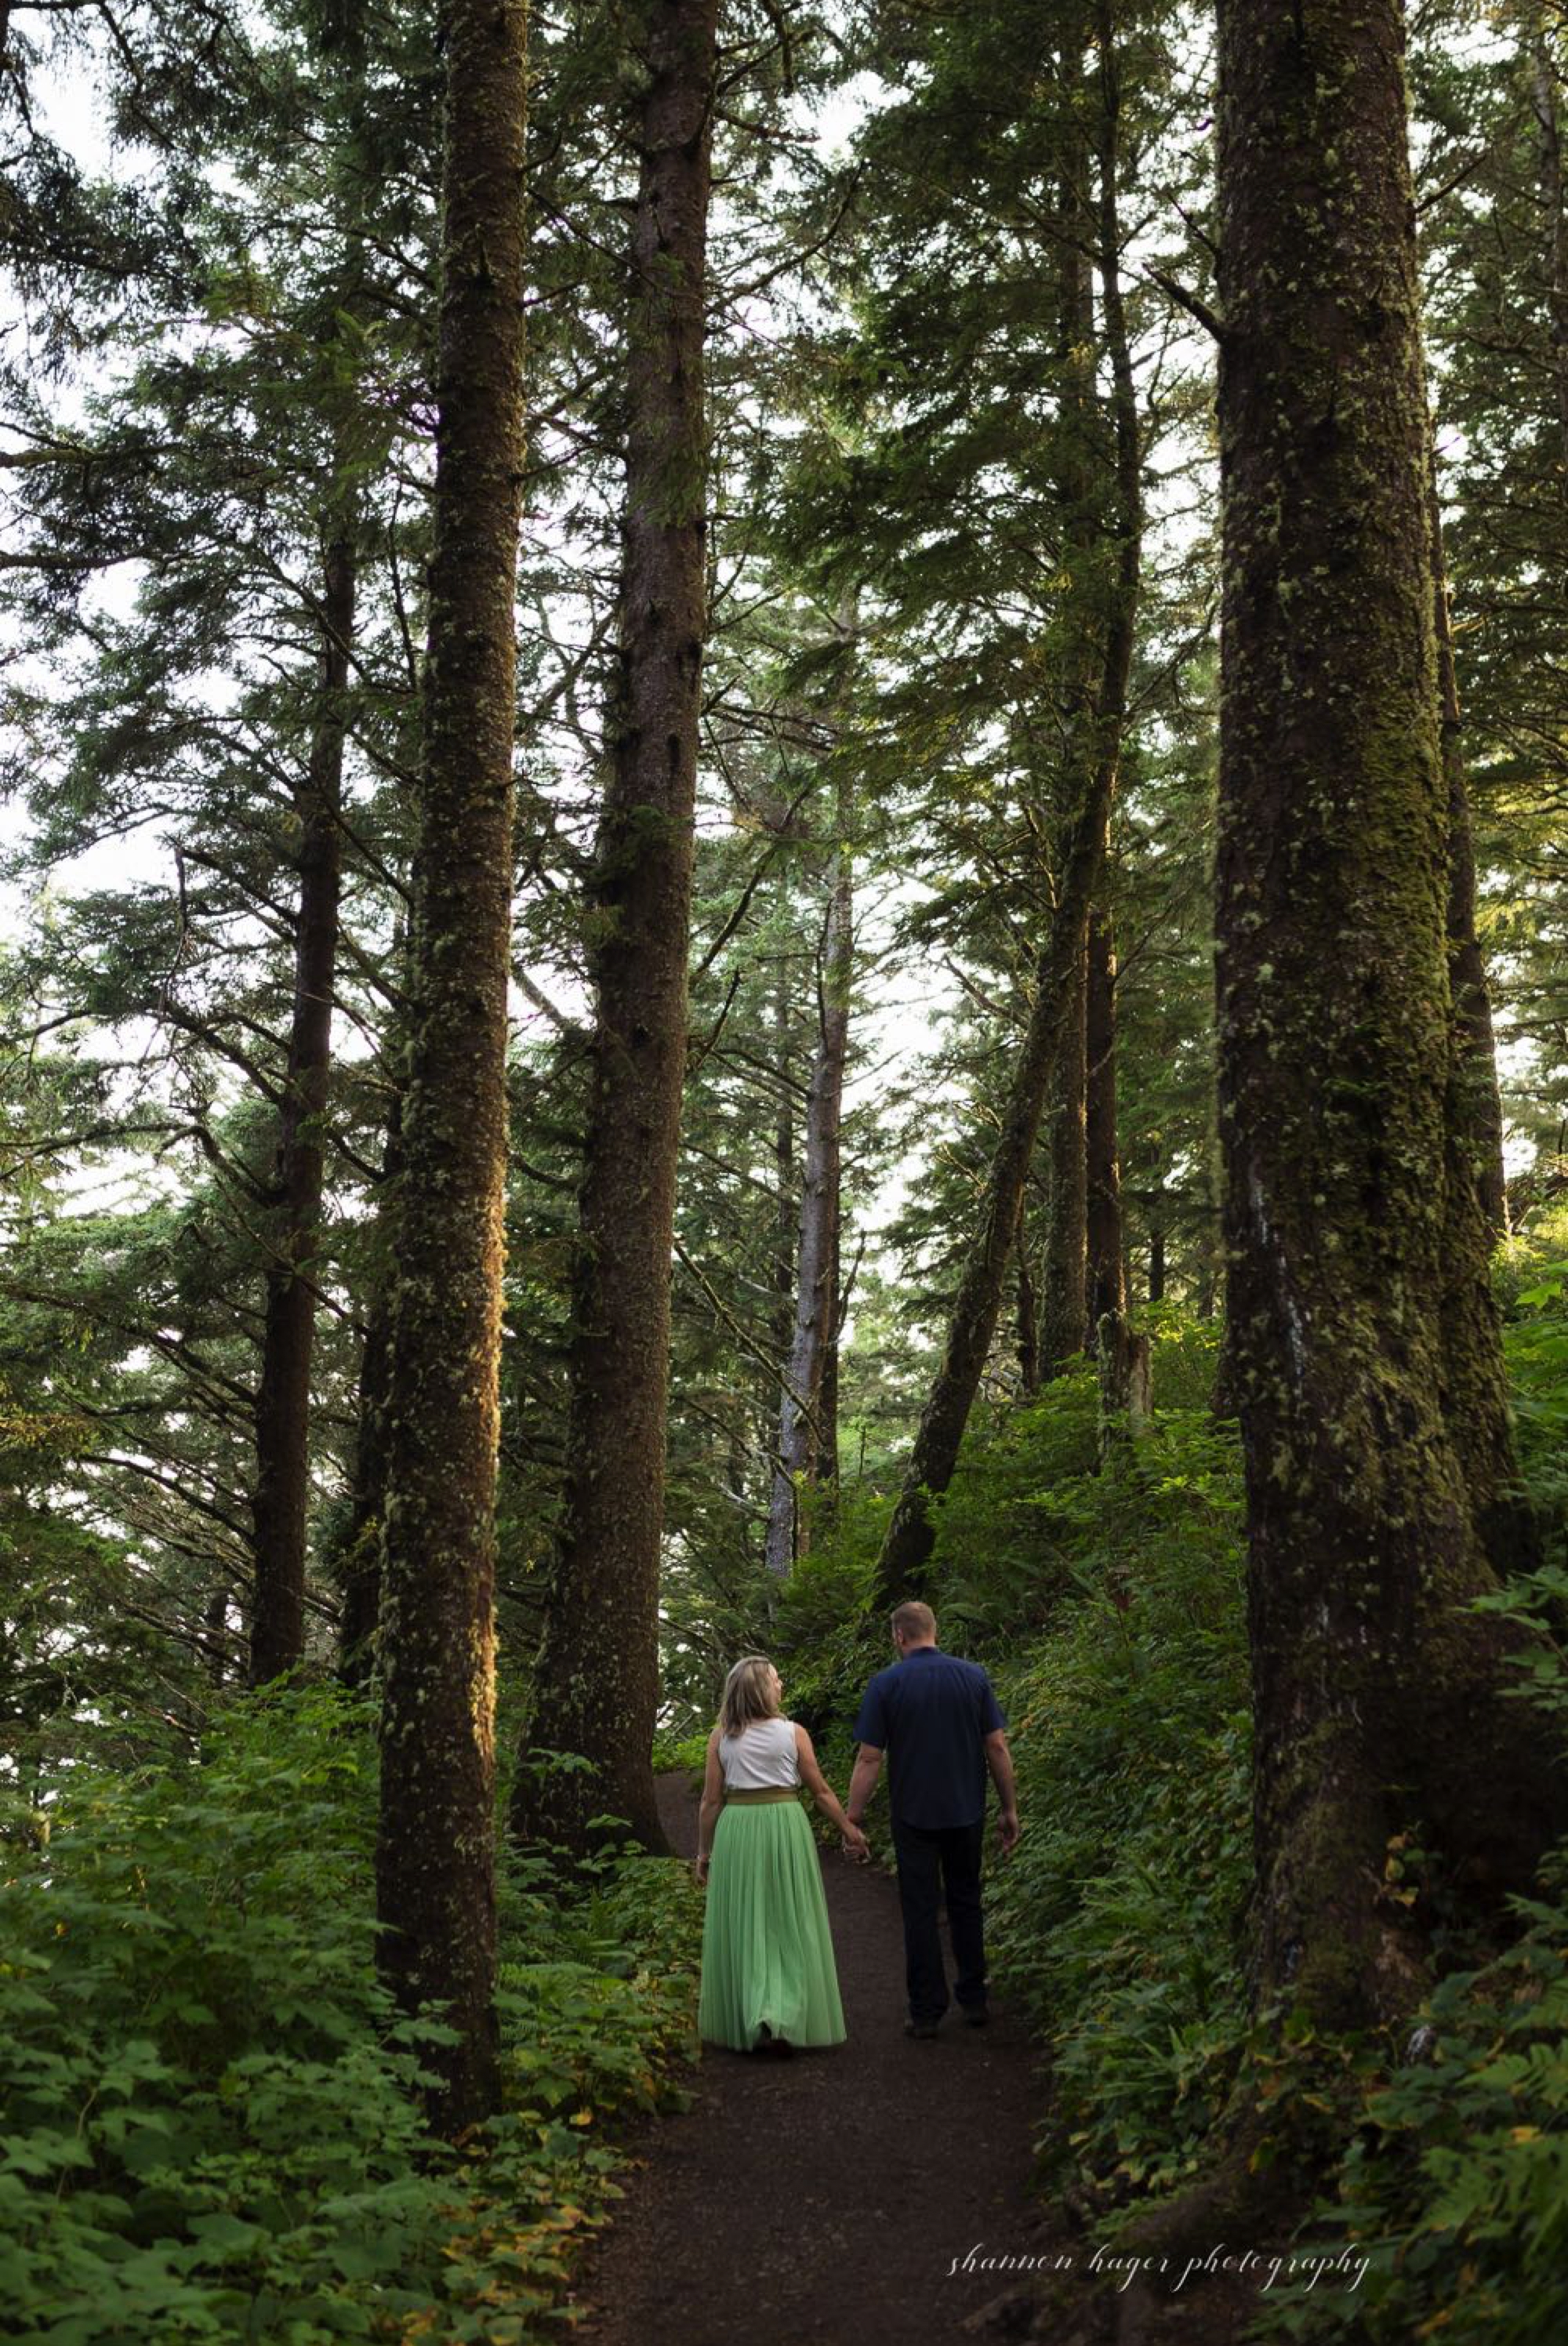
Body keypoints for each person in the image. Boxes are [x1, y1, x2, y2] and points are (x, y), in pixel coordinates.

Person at [845, 1599, 1019, 2039]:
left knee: (920, 1910)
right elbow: (996, 1747)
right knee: (966, 1901)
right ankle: (975, 1999)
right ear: (933, 1631)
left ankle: (926, 2011)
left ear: (899, 1636)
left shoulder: (886, 1684)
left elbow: (870, 1758)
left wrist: (853, 1817)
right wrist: (1009, 1807)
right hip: (966, 1810)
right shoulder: (973, 1677)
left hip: (913, 1815)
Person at [695, 1654, 869, 2055]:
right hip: (784, 1825)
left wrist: (705, 1853)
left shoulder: (721, 1737)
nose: (780, 1686)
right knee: (787, 1918)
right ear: (759, 1688)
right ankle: (784, 2015)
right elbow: (821, 1792)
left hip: (738, 1828)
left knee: (749, 1919)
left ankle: (758, 2013)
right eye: (775, 1679)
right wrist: (850, 1831)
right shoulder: (793, 1733)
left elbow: (710, 1801)